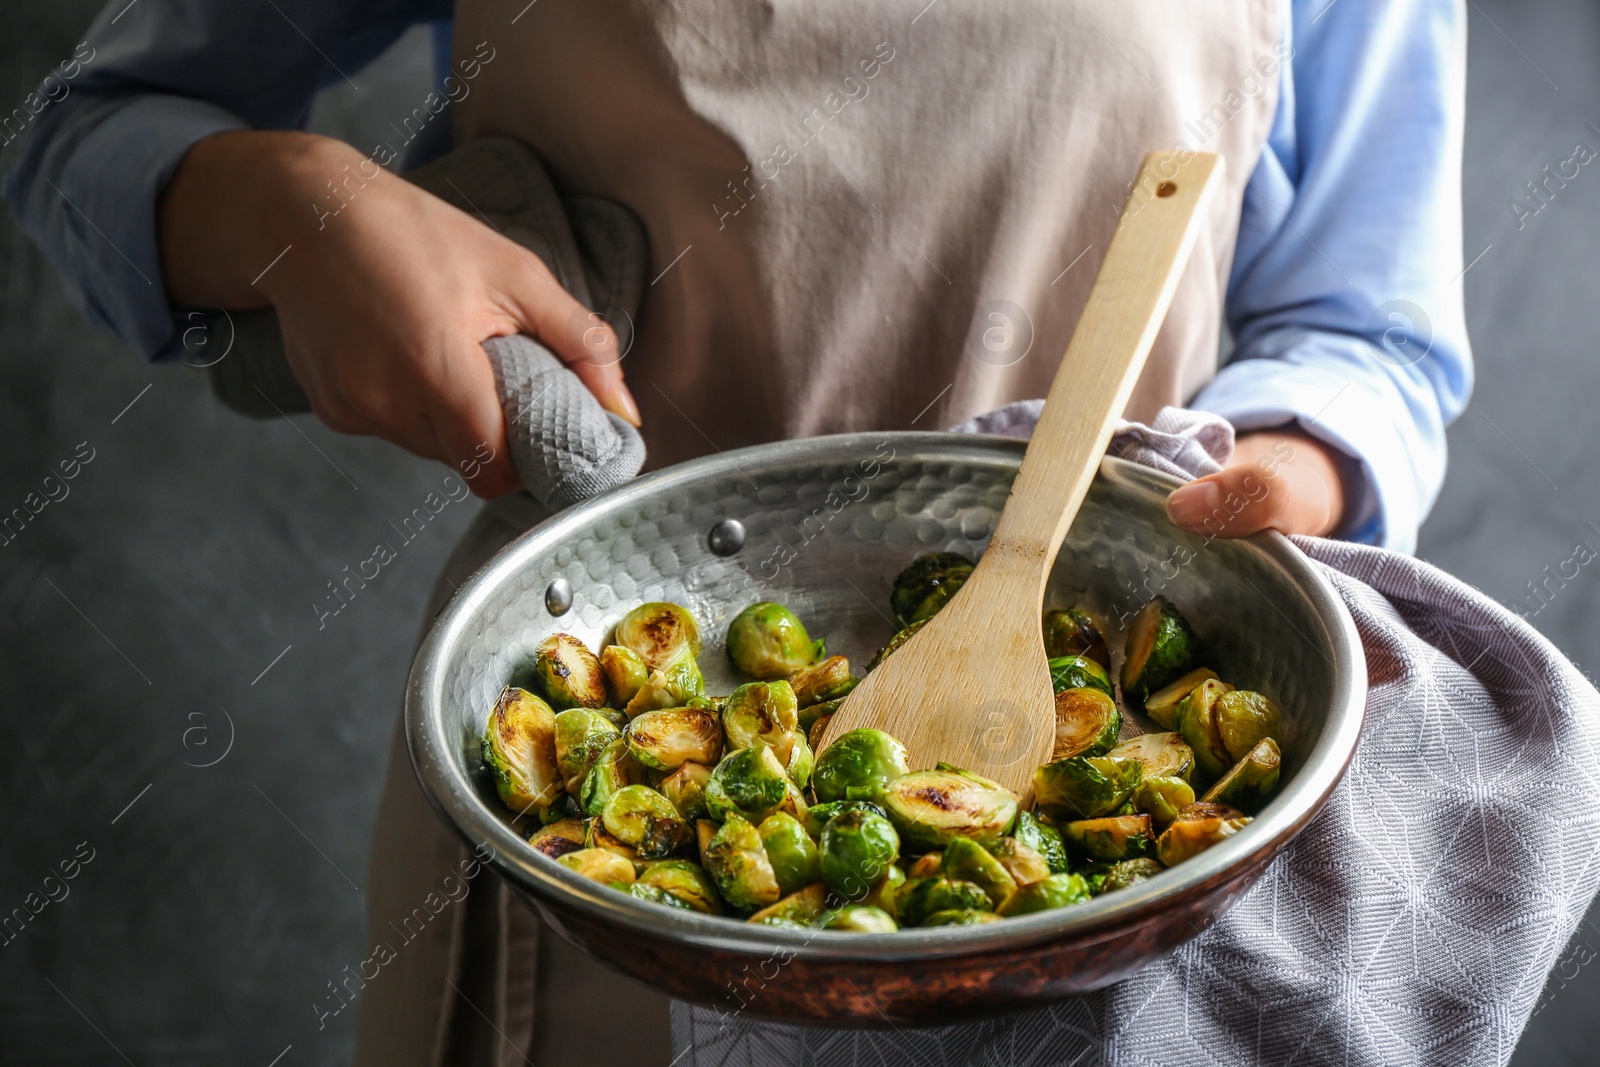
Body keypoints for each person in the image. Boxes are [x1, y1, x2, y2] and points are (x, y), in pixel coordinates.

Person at [4, 0, 1471, 1063]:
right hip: (595, 860)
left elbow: (1370, 341)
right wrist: (302, 205)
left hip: (1106, 896)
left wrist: (1277, 479)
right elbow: (80, 133)